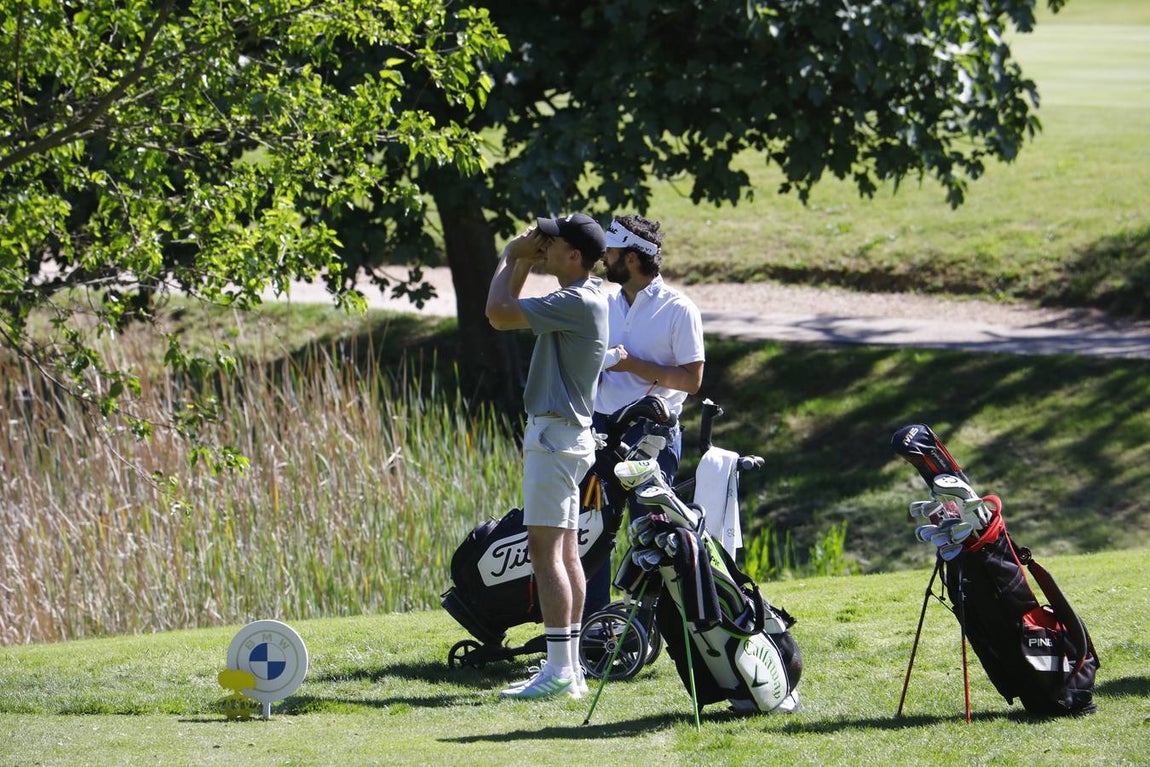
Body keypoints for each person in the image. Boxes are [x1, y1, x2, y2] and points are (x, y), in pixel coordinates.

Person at [485, 213, 609, 700]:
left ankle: (559, 671)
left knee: (544, 554)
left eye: (552, 243)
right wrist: (522, 263)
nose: (544, 247)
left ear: (573, 256)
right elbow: (508, 312)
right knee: (564, 552)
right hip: (569, 438)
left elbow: (496, 313)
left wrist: (512, 256)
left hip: (554, 438)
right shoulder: (590, 293)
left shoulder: (575, 300)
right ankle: (569, 667)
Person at [584, 214, 706, 617]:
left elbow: (691, 379)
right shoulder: (606, 303)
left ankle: (645, 625)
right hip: (601, 428)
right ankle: (596, 628)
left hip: (651, 434)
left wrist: (632, 364)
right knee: (594, 529)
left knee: (649, 533)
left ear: (634, 259)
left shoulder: (678, 309)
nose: (605, 257)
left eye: (613, 251)